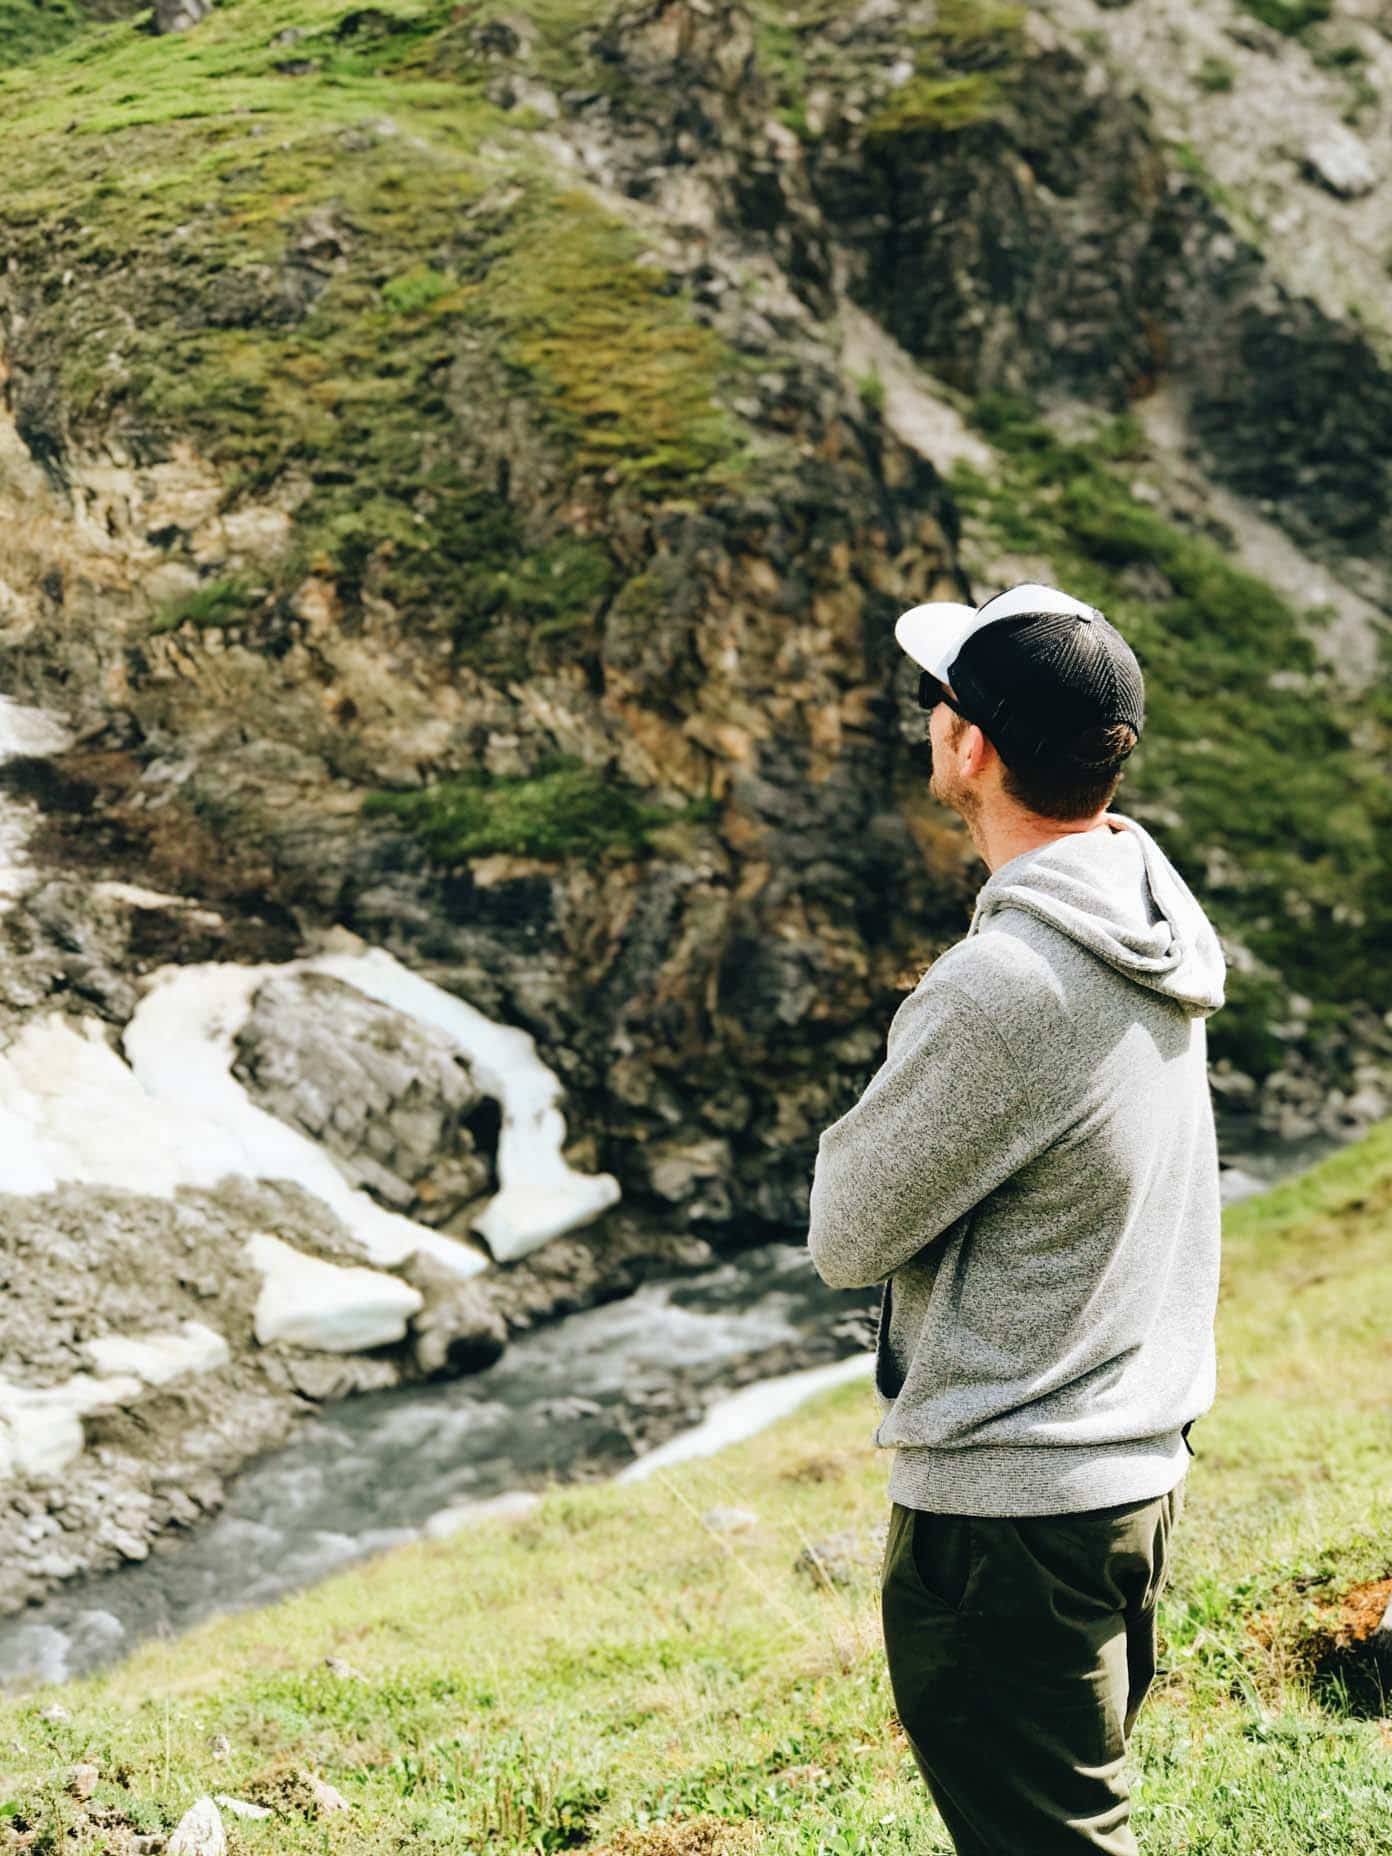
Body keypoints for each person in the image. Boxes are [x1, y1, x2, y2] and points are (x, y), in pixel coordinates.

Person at [806, 583, 1227, 1856]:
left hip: (1010, 1512)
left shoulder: (1004, 985)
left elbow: (846, 1229)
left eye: (939, 701)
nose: (928, 718)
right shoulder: (1143, 904)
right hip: (1126, 1473)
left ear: (971, 746)